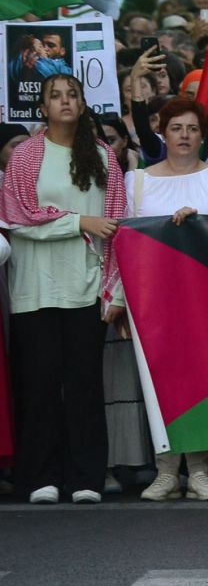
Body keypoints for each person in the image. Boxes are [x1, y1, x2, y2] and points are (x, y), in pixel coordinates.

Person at [1, 74, 125, 504]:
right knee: (38, 385)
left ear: (84, 103)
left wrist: (117, 294)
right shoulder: (25, 157)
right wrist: (79, 222)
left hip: (87, 286)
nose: (65, 101)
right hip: (34, 287)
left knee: (85, 385)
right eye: (56, 96)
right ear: (43, 108)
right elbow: (18, 218)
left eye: (72, 94)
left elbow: (118, 227)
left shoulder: (105, 157)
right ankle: (40, 478)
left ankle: (86, 476)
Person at [117, 98, 208, 501]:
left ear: (203, 134)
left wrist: (198, 226)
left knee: (201, 382)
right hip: (152, 298)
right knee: (158, 383)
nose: (184, 136)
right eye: (176, 128)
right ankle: (166, 470)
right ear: (162, 133)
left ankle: (200, 471)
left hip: (204, 300)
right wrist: (119, 298)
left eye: (191, 128)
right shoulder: (136, 181)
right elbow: (124, 243)